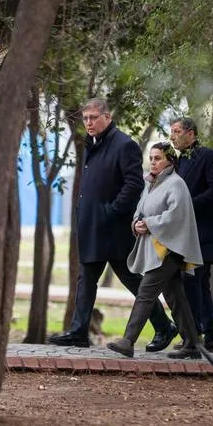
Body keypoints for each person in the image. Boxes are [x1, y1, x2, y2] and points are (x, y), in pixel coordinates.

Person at [48, 99, 176, 351]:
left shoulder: (123, 144)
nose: (89, 123)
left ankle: (164, 326)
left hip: (113, 229)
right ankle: (78, 332)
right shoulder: (91, 145)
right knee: (86, 278)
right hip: (93, 227)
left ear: (107, 117)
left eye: (94, 117)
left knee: (131, 279)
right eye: (85, 119)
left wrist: (112, 211)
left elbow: (134, 184)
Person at [107, 142, 204, 359]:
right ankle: (193, 344)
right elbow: (140, 211)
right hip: (157, 248)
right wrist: (136, 224)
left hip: (170, 250)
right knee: (176, 296)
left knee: (145, 292)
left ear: (170, 161)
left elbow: (174, 217)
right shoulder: (151, 184)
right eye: (151, 158)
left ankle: (128, 341)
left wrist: (148, 223)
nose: (153, 162)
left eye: (158, 158)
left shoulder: (176, 184)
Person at [169, 117, 213, 353]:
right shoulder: (179, 161)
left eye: (177, 131)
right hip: (188, 234)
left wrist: (187, 205)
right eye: (171, 132)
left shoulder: (208, 156)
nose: (173, 136)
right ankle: (211, 336)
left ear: (191, 134)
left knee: (192, 283)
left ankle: (194, 338)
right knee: (198, 284)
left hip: (204, 233)